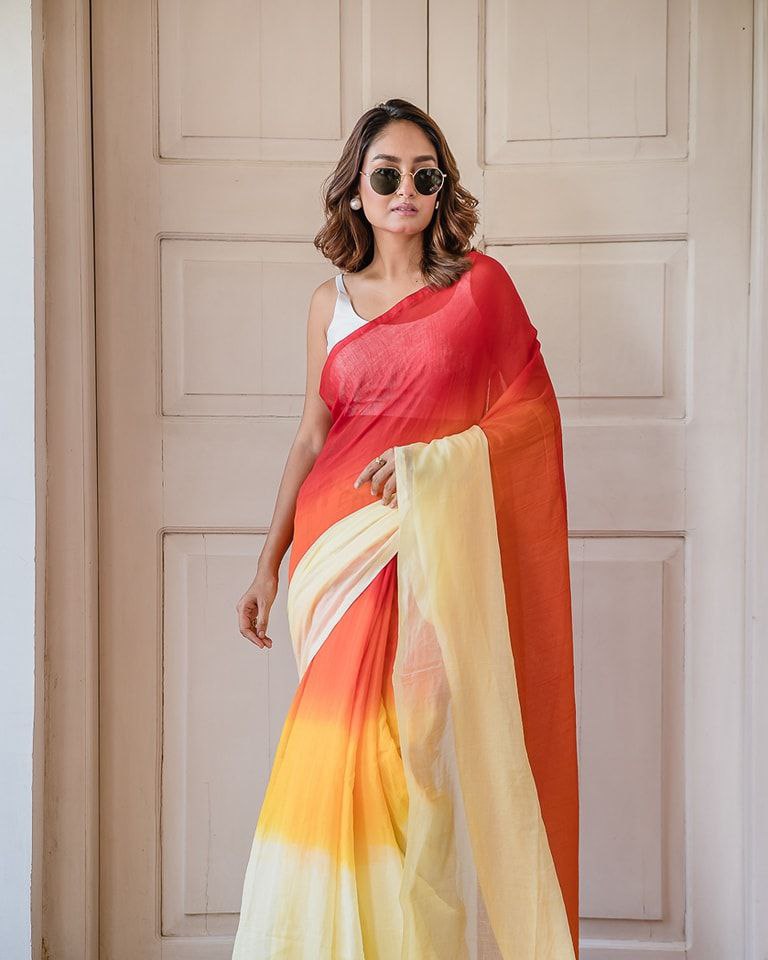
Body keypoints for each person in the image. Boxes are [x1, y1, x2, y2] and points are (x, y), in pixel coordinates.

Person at [231, 98, 579, 960]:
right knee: (335, 757)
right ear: (355, 188)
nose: (405, 192)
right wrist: (268, 564)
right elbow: (310, 436)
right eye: (386, 175)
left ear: (441, 189)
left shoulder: (479, 289)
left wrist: (434, 462)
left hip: (424, 552)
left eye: (426, 177)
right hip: (331, 559)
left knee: (406, 761)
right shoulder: (329, 303)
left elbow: (531, 414)